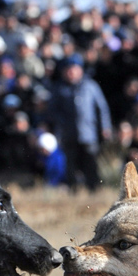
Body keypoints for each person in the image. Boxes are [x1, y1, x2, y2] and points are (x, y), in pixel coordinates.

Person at [48, 53, 112, 192]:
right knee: (71, 164)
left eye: (74, 69)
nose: (71, 72)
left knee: (91, 162)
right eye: (68, 69)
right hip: (68, 134)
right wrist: (61, 123)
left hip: (88, 133)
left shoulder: (90, 86)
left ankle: (94, 188)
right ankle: (74, 190)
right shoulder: (59, 89)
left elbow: (102, 109)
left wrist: (105, 127)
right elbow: (52, 111)